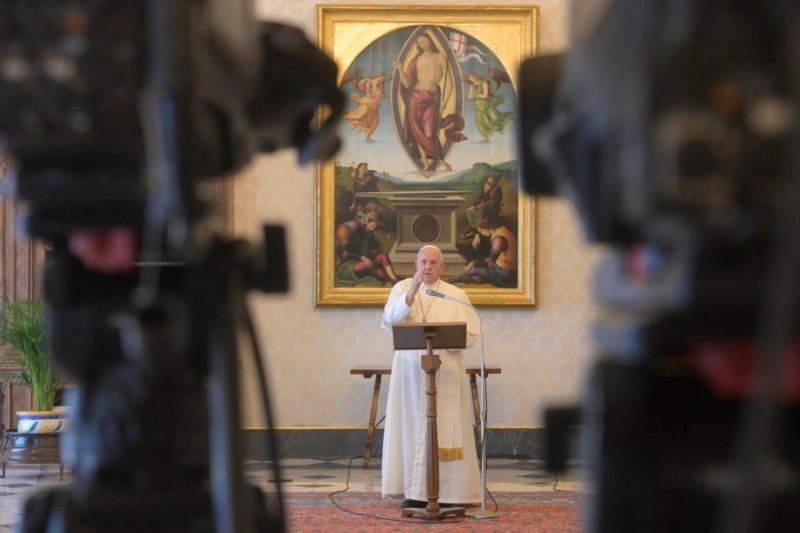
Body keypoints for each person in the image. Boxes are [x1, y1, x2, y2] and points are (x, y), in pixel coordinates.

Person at [380, 245, 481, 508]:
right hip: (410, 372)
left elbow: (471, 333)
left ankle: (450, 494)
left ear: (442, 267)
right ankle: (413, 493)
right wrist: (411, 294)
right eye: (424, 262)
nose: (428, 267)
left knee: (446, 428)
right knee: (410, 426)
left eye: (434, 263)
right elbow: (389, 320)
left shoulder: (456, 295)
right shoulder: (401, 288)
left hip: (445, 370)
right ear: (416, 264)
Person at [394, 33, 457, 172]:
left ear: (430, 40)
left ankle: (440, 160)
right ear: (418, 45)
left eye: (425, 41)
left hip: (430, 99)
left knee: (429, 132)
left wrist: (445, 101)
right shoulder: (416, 60)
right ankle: (426, 165)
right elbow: (407, 84)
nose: (424, 44)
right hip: (414, 98)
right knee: (418, 132)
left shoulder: (441, 58)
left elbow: (450, 83)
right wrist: (400, 70)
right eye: (420, 43)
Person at [335, 211, 399, 286]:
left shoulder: (365, 230)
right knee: (368, 264)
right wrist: (362, 257)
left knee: (383, 255)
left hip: (361, 260)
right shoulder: (345, 229)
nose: (373, 230)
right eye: (373, 227)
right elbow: (345, 254)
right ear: (368, 221)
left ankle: (394, 279)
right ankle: (391, 280)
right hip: (346, 265)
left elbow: (374, 250)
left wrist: (370, 238)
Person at [450, 217, 517, 288]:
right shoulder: (500, 230)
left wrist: (473, 264)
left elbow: (490, 264)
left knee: (473, 270)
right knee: (472, 263)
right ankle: (478, 279)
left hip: (505, 274)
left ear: (487, 227)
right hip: (501, 267)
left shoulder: (498, 239)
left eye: (482, 231)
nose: (482, 233)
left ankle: (449, 280)